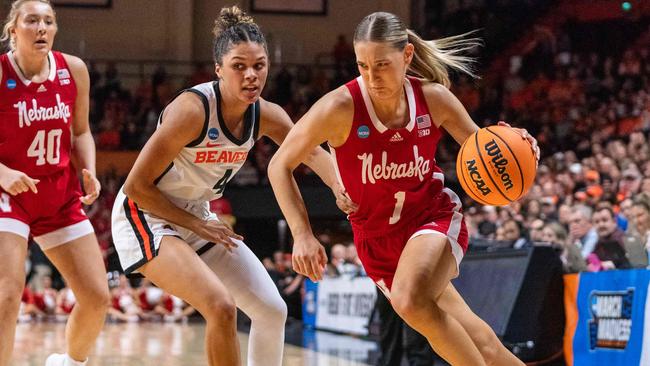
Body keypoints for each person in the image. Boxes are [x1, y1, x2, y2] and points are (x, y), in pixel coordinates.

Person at [268, 12, 539, 365]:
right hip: (377, 241)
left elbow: (483, 148)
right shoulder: (338, 107)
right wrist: (302, 234)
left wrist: (518, 144)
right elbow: (279, 165)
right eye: (362, 65)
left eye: (382, 64)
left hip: (431, 217)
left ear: (407, 55)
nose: (371, 76)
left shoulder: (434, 98)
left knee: (408, 301)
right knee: (481, 341)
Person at [111, 6, 347, 366]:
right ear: (218, 69)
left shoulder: (267, 114)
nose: (251, 75)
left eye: (259, 65)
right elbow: (136, 185)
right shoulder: (192, 111)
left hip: (195, 215)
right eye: (239, 66)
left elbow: (313, 154)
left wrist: (344, 190)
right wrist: (195, 224)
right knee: (220, 306)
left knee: (271, 309)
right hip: (145, 214)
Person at [0, 1, 109, 365]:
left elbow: (81, 132)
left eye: (49, 21)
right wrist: (4, 173)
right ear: (14, 30)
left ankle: (67, 363)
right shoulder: (1, 73)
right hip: (9, 195)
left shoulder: (73, 70)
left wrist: (88, 168)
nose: (42, 27)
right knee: (7, 294)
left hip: (58, 193)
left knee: (97, 297)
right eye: (32, 21)